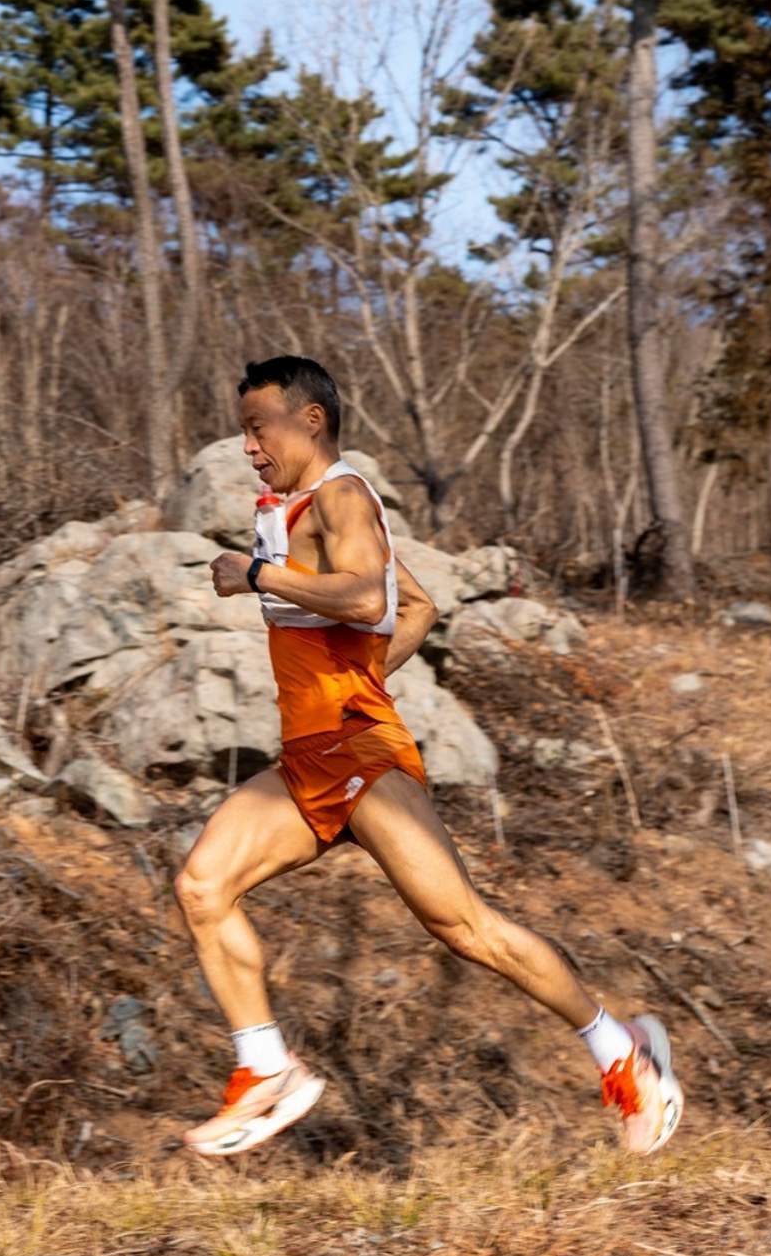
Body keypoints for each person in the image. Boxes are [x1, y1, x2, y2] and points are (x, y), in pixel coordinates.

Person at [174, 356, 682, 1158]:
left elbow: (371, 598)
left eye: (258, 427)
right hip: (312, 756)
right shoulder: (294, 506)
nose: (247, 446)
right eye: (242, 430)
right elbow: (417, 604)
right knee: (203, 886)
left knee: (467, 929)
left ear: (309, 420)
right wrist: (362, 672)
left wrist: (257, 576)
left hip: (359, 754)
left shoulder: (342, 497)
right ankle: (266, 1068)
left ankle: (623, 1051)